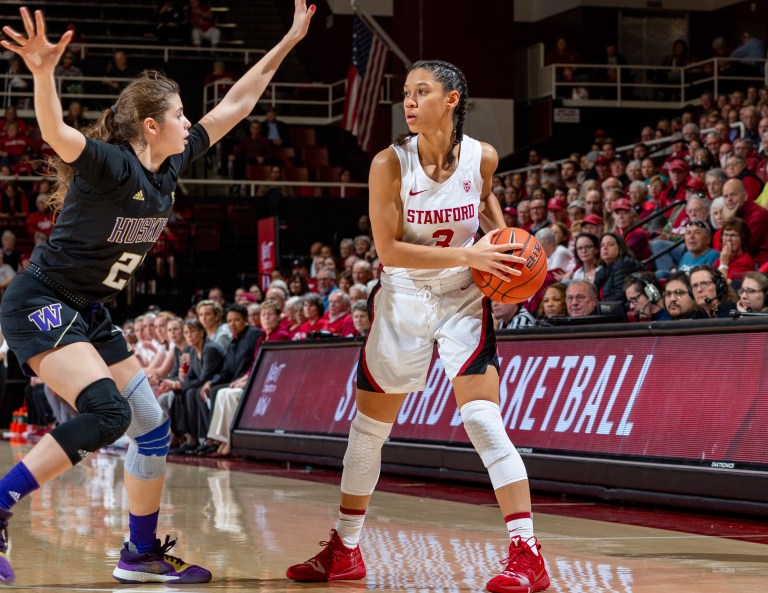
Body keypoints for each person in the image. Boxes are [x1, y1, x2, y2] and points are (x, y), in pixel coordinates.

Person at [0, 3, 314, 584]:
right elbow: (55, 133)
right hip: (41, 299)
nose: (190, 121)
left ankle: (139, 553)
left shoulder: (168, 167)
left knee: (150, 424)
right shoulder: (114, 166)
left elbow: (237, 104)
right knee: (108, 413)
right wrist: (43, 74)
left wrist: (290, 40)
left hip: (87, 312)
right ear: (150, 125)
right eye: (179, 113)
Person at [286, 60, 550, 593]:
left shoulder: (484, 156)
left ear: (451, 99)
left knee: (481, 418)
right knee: (368, 431)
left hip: (461, 297)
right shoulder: (388, 163)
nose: (408, 102)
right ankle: (345, 548)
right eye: (405, 93)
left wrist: (510, 254)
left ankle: (527, 553)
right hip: (404, 297)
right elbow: (387, 250)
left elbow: (484, 196)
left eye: (421, 91)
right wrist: (474, 251)